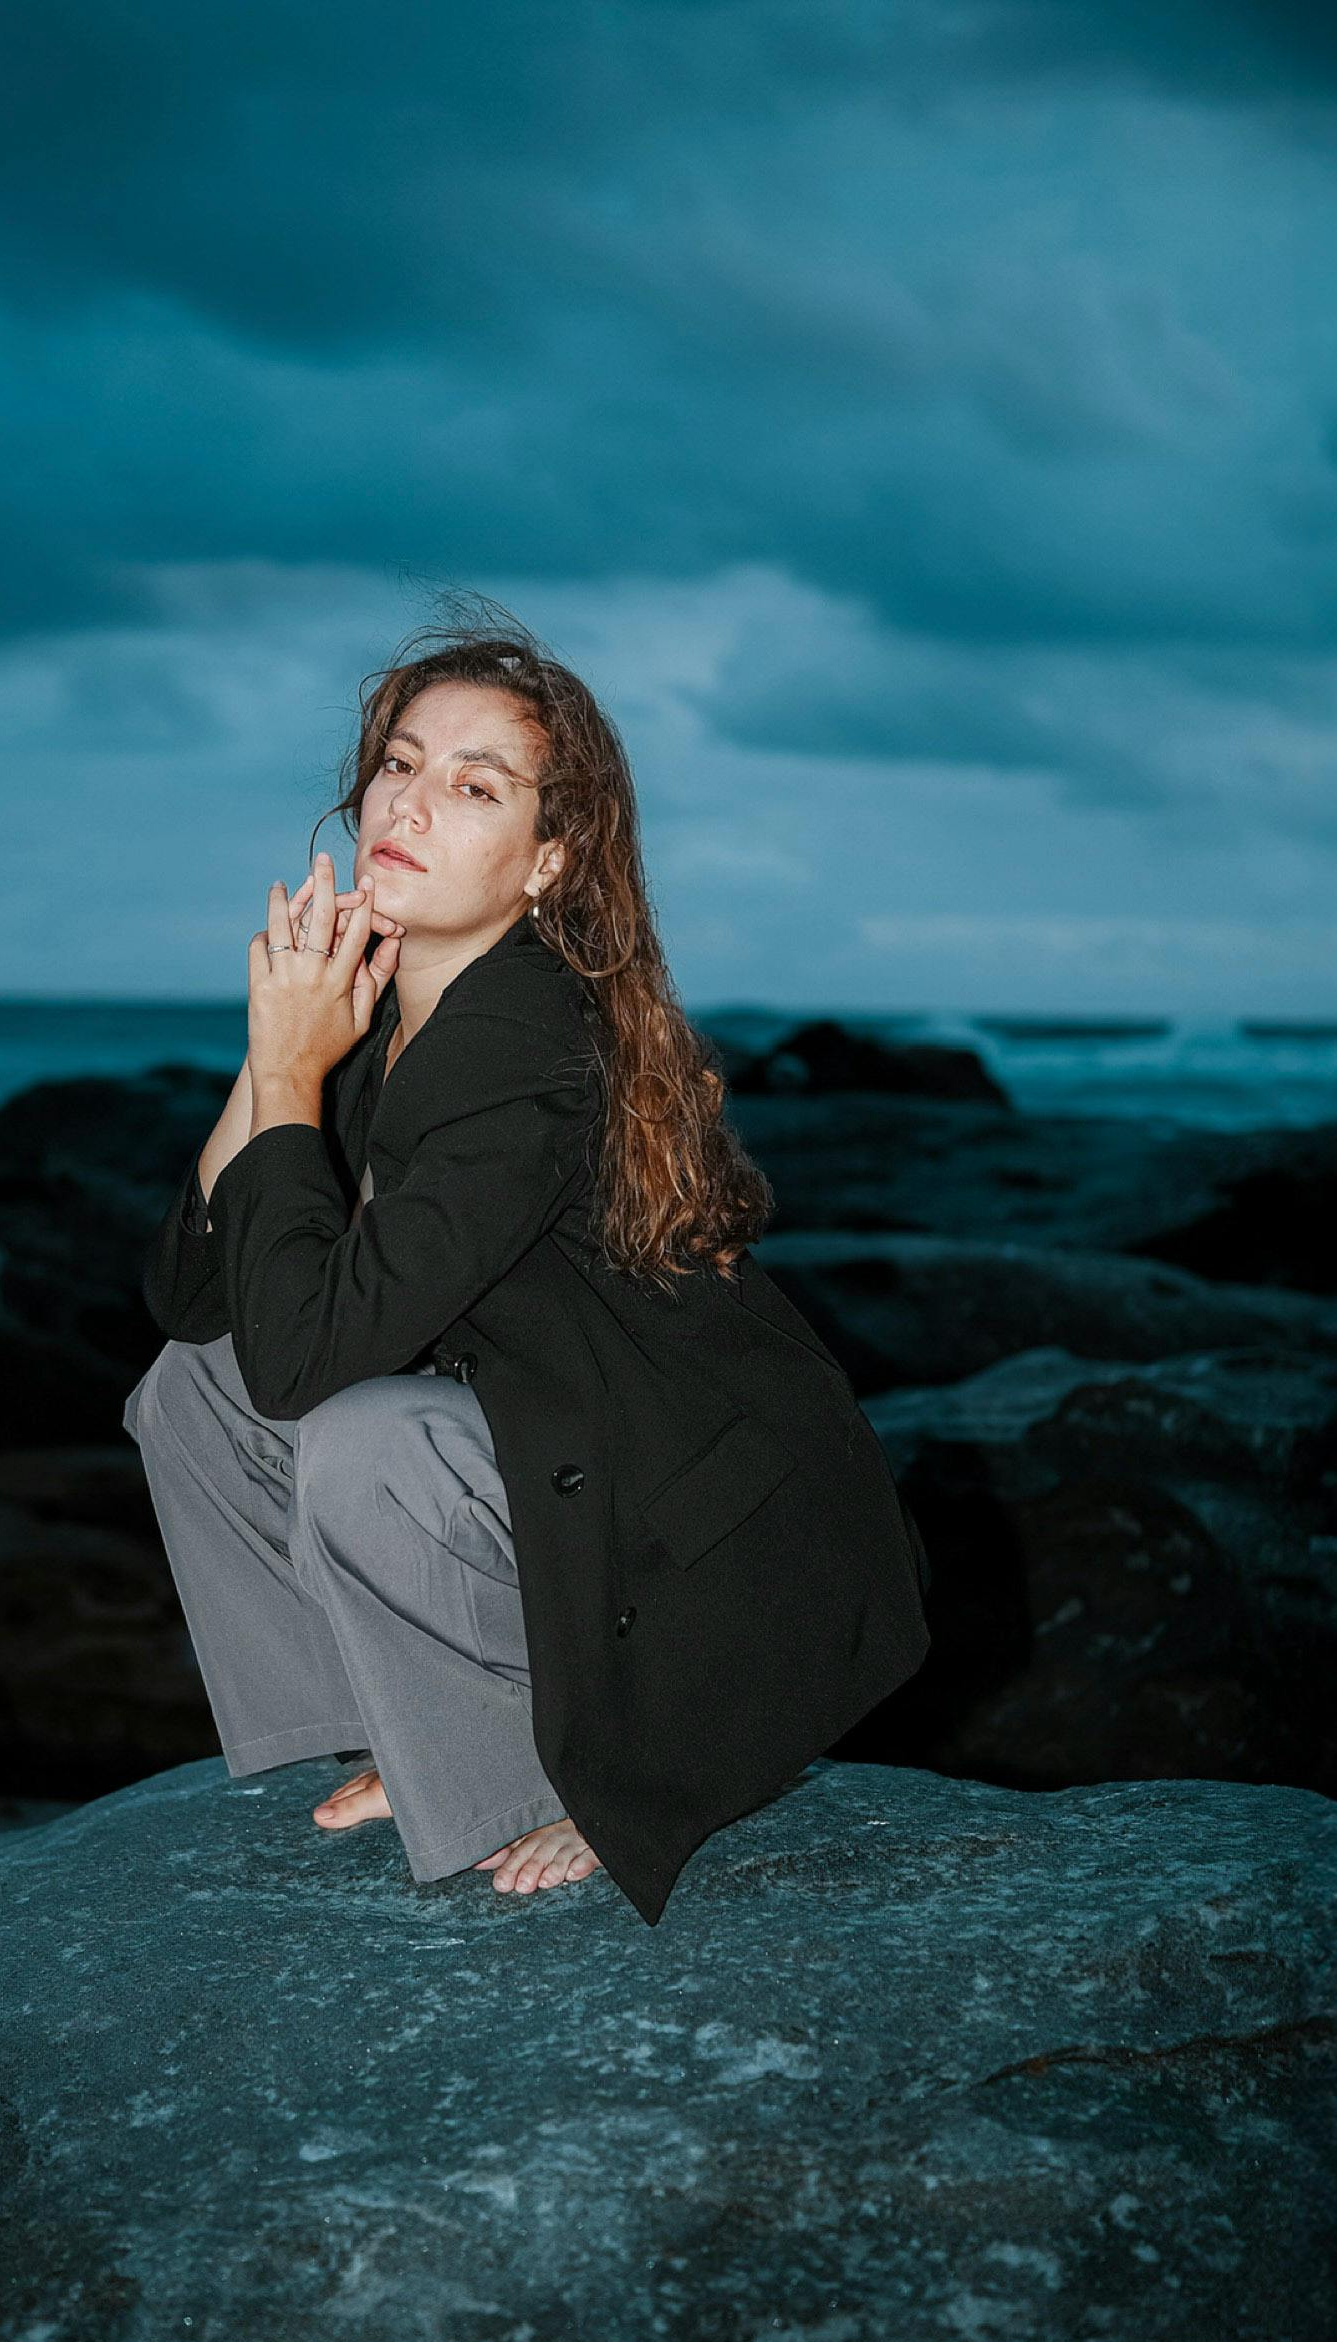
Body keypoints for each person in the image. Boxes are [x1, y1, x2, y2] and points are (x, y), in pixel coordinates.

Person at [123, 602, 929, 1923]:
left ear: (548, 862)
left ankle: (538, 1773)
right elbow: (198, 1300)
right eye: (400, 760)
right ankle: (397, 1731)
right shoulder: (385, 1021)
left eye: (475, 785)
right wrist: (280, 1053)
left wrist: (288, 1065)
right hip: (575, 1453)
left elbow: (313, 1362)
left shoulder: (527, 1046)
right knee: (185, 1387)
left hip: (716, 1550)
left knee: (363, 1438)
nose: (414, 799)